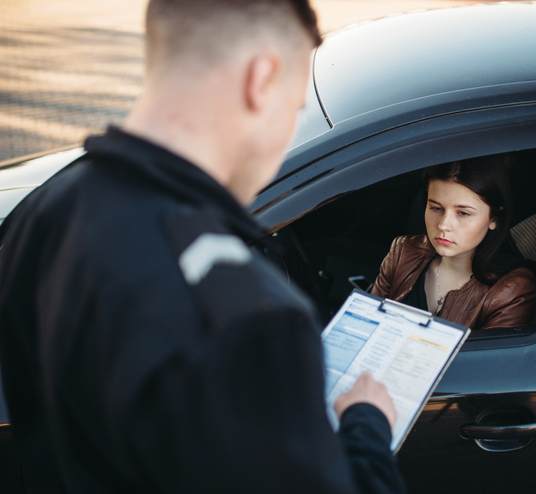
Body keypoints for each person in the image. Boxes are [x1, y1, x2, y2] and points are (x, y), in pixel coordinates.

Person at [0, 1, 405, 493]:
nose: (285, 137)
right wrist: (366, 425)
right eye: (295, 109)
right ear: (261, 78)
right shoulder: (252, 318)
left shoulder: (42, 212)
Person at [370, 157, 536, 331]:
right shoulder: (403, 252)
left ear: (494, 218)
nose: (443, 225)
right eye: (436, 208)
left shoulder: (511, 290)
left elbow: (486, 358)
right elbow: (364, 325)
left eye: (463, 213)